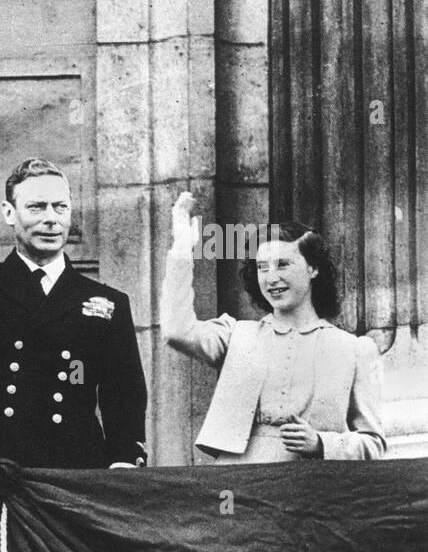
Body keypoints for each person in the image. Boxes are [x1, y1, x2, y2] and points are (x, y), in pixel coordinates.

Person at [0, 76, 148, 470]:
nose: (51, 220)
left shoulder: (105, 303)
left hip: (71, 468)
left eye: (60, 208)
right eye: (36, 208)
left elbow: (124, 393)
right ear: (8, 214)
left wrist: (123, 462)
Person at [160, 192, 385, 462]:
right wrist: (182, 250)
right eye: (262, 268)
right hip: (237, 480)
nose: (272, 278)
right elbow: (176, 331)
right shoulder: (235, 335)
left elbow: (374, 443)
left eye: (283, 264)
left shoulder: (354, 349)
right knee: (225, 506)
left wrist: (322, 443)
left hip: (309, 486)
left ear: (313, 268)